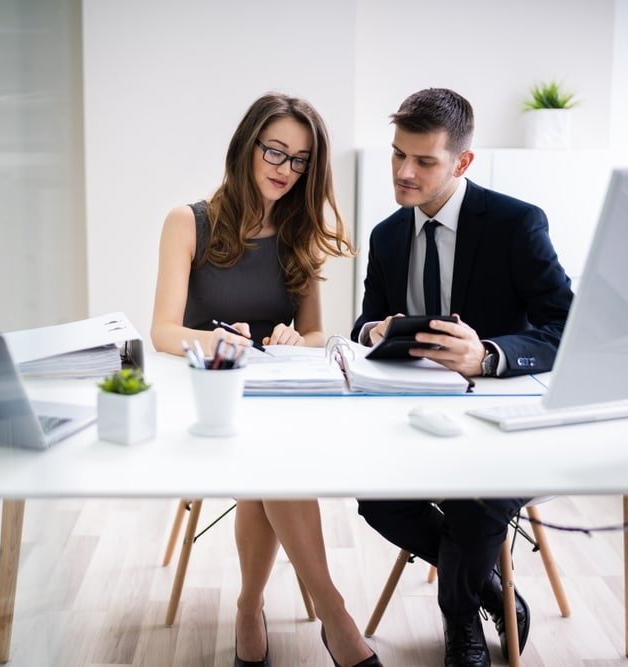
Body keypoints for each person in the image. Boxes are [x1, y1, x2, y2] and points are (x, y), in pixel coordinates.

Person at [151, 92, 380, 667]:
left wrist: (286, 340)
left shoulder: (298, 230)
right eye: (275, 151)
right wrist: (219, 341)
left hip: (275, 397)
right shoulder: (189, 222)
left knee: (273, 456)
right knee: (274, 459)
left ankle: (250, 607)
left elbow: (313, 334)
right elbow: (162, 331)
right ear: (246, 146)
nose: (286, 169)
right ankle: (335, 616)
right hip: (210, 398)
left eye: (301, 160)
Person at [351, 88, 574, 667]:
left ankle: (458, 620)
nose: (403, 172)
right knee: (375, 499)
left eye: (424, 161)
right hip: (416, 415)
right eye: (398, 155)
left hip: (506, 420)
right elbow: (362, 323)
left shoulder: (516, 223)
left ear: (462, 162)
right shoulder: (387, 235)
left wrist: (491, 354)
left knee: (477, 498)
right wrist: (375, 331)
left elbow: (567, 325)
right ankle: (495, 592)